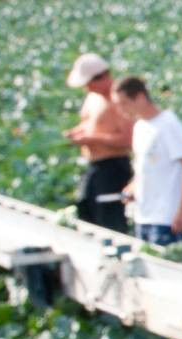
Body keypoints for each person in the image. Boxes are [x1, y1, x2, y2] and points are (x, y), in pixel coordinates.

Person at [110, 76, 182, 246]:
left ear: (141, 97)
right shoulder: (140, 127)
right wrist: (133, 187)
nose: (121, 110)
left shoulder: (168, 124)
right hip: (143, 216)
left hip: (166, 218)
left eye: (124, 103)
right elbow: (145, 167)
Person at [64, 53, 134, 233]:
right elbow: (91, 123)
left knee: (110, 218)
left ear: (102, 77)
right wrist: (78, 132)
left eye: (89, 83)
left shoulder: (119, 101)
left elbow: (127, 140)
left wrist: (91, 139)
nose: (87, 88)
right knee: (87, 211)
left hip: (113, 168)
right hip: (94, 167)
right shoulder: (93, 98)